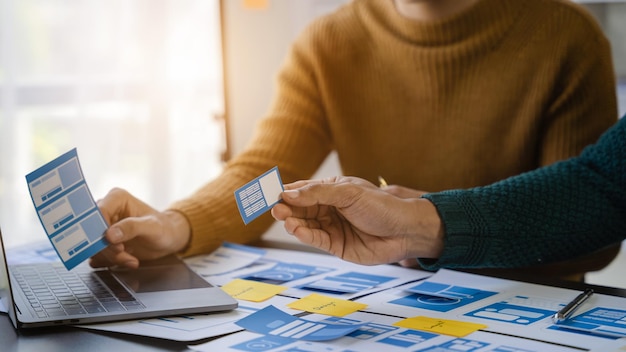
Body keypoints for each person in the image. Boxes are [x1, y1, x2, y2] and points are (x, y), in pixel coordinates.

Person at [90, 0, 619, 281]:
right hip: (388, 307)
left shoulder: (565, 38)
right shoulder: (329, 43)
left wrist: (426, 238)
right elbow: (268, 175)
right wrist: (177, 224)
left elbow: (591, 219)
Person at [270, 117, 626, 270]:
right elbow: (603, 183)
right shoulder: (328, 36)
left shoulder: (566, 31)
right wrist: (420, 226)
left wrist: (424, 227)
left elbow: (602, 199)